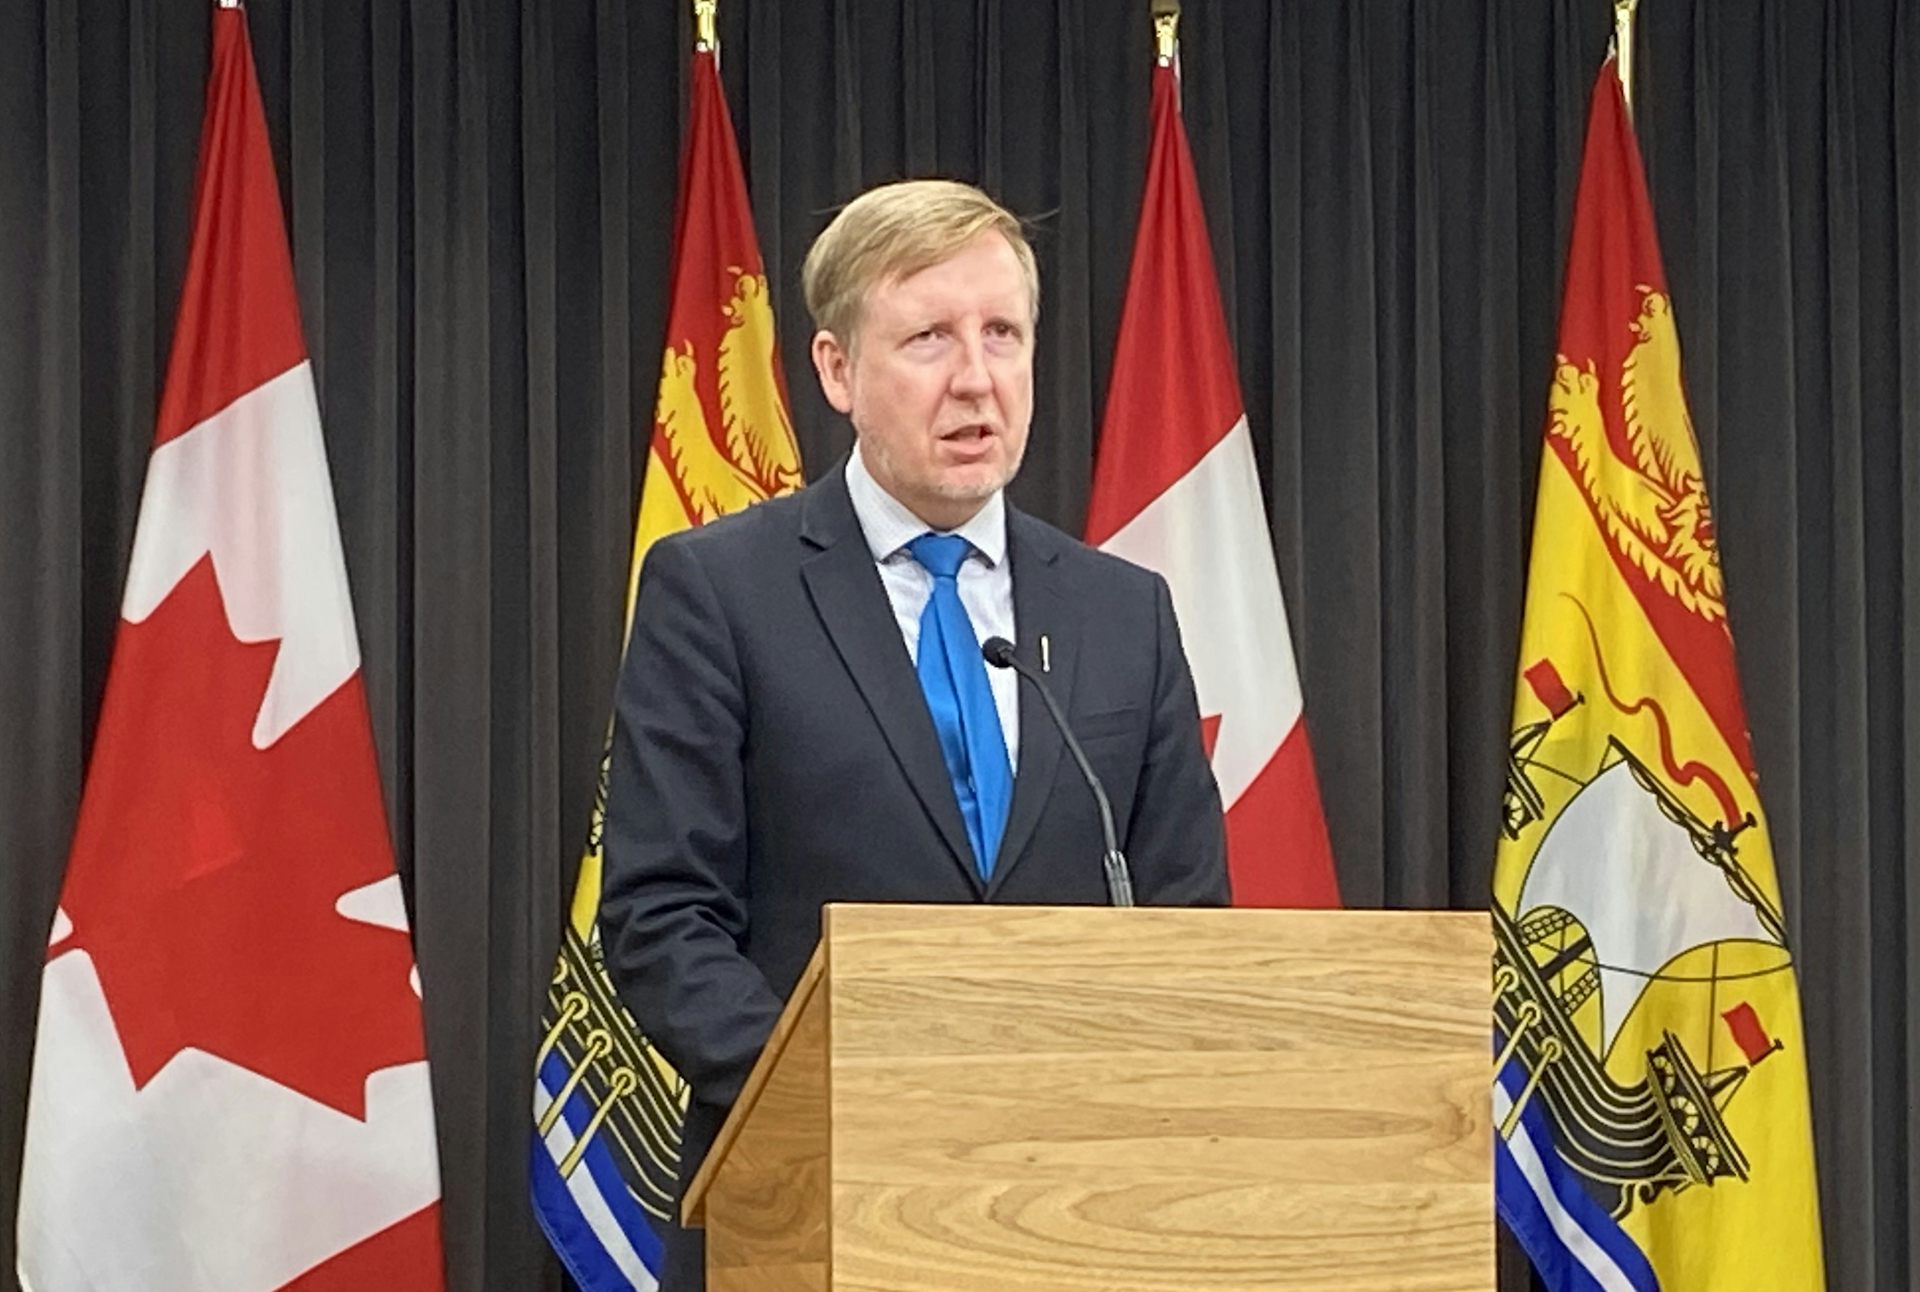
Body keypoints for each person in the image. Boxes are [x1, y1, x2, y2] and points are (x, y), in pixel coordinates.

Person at [599, 178, 1228, 1290]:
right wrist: (853, 1099)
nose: (976, 378)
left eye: (1002, 334)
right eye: (929, 338)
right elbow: (663, 915)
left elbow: (1186, 921)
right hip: (811, 1206)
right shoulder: (717, 590)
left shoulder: (1121, 612)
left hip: (1074, 1211)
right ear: (838, 370)